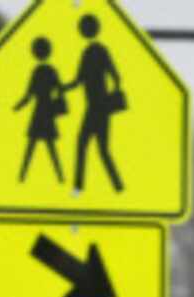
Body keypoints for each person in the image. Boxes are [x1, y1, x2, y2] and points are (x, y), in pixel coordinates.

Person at [68, 13, 125, 195]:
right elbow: (113, 75)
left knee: (89, 146)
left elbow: (79, 80)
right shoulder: (94, 51)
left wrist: (112, 94)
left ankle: (82, 187)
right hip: (97, 107)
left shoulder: (96, 51)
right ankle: (115, 186)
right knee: (97, 148)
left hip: (97, 107)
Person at [14, 36, 66, 183]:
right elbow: (60, 89)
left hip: (41, 111)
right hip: (46, 111)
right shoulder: (50, 71)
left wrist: (19, 106)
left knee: (36, 146)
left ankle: (23, 177)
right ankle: (58, 177)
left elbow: (29, 95)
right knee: (42, 146)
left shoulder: (38, 71)